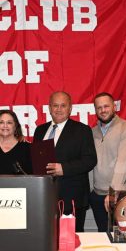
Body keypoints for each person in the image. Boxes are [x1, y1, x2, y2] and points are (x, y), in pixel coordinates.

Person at [33, 91, 97, 232]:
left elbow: (90, 160)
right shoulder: (40, 130)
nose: (59, 109)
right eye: (55, 105)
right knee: (46, 237)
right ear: (49, 108)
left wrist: (64, 168)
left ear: (70, 108)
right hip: (44, 196)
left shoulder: (82, 130)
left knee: (72, 241)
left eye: (63, 105)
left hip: (72, 198)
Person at [90, 92, 126, 232]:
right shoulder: (92, 132)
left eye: (106, 106)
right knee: (103, 237)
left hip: (120, 194)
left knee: (122, 239)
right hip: (98, 195)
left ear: (114, 106)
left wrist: (113, 192)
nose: (103, 110)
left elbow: (124, 161)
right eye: (99, 107)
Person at [0, 109, 32, 174]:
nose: (5, 126)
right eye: (1, 122)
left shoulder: (28, 149)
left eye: (9, 122)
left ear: (15, 126)